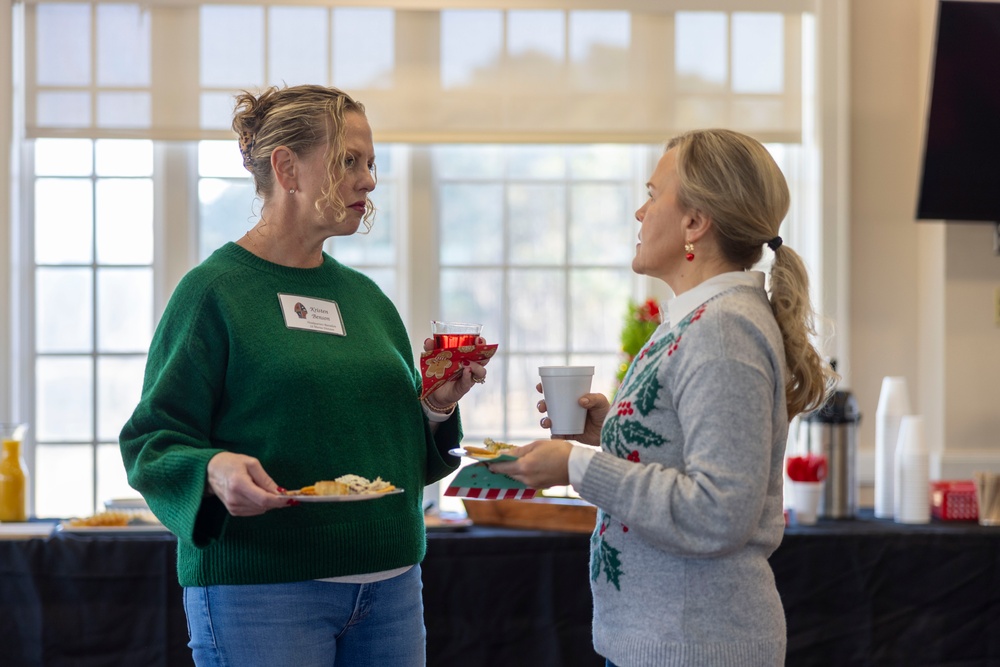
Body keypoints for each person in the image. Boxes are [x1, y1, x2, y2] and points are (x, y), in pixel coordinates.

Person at [119, 84, 486, 667]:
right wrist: (212, 469)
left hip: (391, 586)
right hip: (264, 593)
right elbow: (151, 442)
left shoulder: (367, 300)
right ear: (286, 168)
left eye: (371, 164)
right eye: (349, 161)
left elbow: (401, 452)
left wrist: (435, 406)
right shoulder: (212, 294)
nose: (368, 180)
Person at [491, 129, 836, 667]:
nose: (639, 212)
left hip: (696, 648)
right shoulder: (697, 319)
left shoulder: (724, 330)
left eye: (653, 195)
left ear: (696, 222)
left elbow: (719, 512)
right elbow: (685, 454)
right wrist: (611, 433)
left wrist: (579, 467)